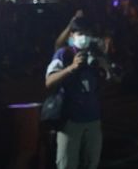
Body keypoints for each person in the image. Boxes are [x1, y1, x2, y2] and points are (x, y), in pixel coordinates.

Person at [45, 17, 110, 169]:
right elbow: (48, 82)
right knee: (67, 164)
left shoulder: (94, 55)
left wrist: (104, 65)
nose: (84, 37)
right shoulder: (64, 54)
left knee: (91, 162)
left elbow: (103, 84)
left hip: (93, 119)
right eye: (80, 33)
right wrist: (71, 68)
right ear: (72, 35)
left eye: (87, 33)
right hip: (70, 121)